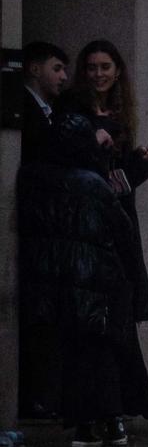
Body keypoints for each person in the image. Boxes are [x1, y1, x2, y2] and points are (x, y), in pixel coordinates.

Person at [17, 110, 147, 446]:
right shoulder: (93, 184)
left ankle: (84, 424)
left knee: (70, 352)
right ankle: (112, 421)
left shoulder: (33, 178)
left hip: (52, 281)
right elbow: (123, 234)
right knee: (99, 352)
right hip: (96, 281)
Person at [66, 39, 148, 425]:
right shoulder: (76, 114)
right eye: (92, 67)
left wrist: (137, 162)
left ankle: (137, 399)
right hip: (93, 223)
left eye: (105, 67)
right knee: (109, 314)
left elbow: (117, 179)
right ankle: (132, 401)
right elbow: (96, 176)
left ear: (117, 71)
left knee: (122, 308)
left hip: (119, 218)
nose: (98, 74)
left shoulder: (119, 115)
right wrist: (131, 171)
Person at [17, 41, 69, 420]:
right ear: (34, 69)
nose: (63, 76)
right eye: (56, 68)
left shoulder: (53, 111)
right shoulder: (28, 110)